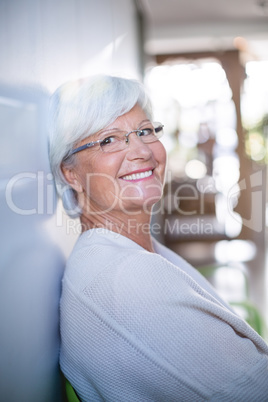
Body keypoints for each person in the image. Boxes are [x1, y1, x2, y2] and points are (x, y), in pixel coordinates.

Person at [49, 75, 268, 402]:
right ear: (71, 173)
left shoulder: (130, 254)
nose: (141, 151)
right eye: (109, 140)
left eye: (145, 131)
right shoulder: (126, 279)